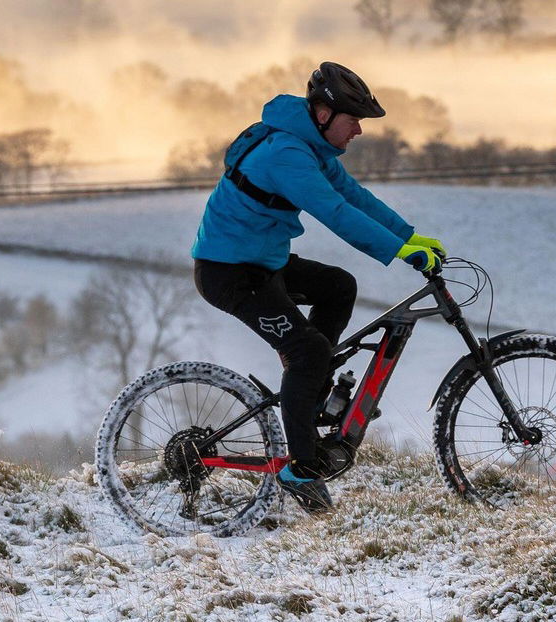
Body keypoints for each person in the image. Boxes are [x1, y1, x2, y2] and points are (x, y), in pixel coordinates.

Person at [190, 61, 445, 514]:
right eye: (354, 120)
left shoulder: (309, 147)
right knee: (306, 351)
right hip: (229, 272)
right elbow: (335, 213)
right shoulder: (286, 155)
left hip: (262, 261)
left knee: (337, 287)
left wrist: (407, 236)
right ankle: (301, 468)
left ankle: (307, 398)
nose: (360, 131)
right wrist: (399, 252)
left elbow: (354, 197)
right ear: (324, 114)